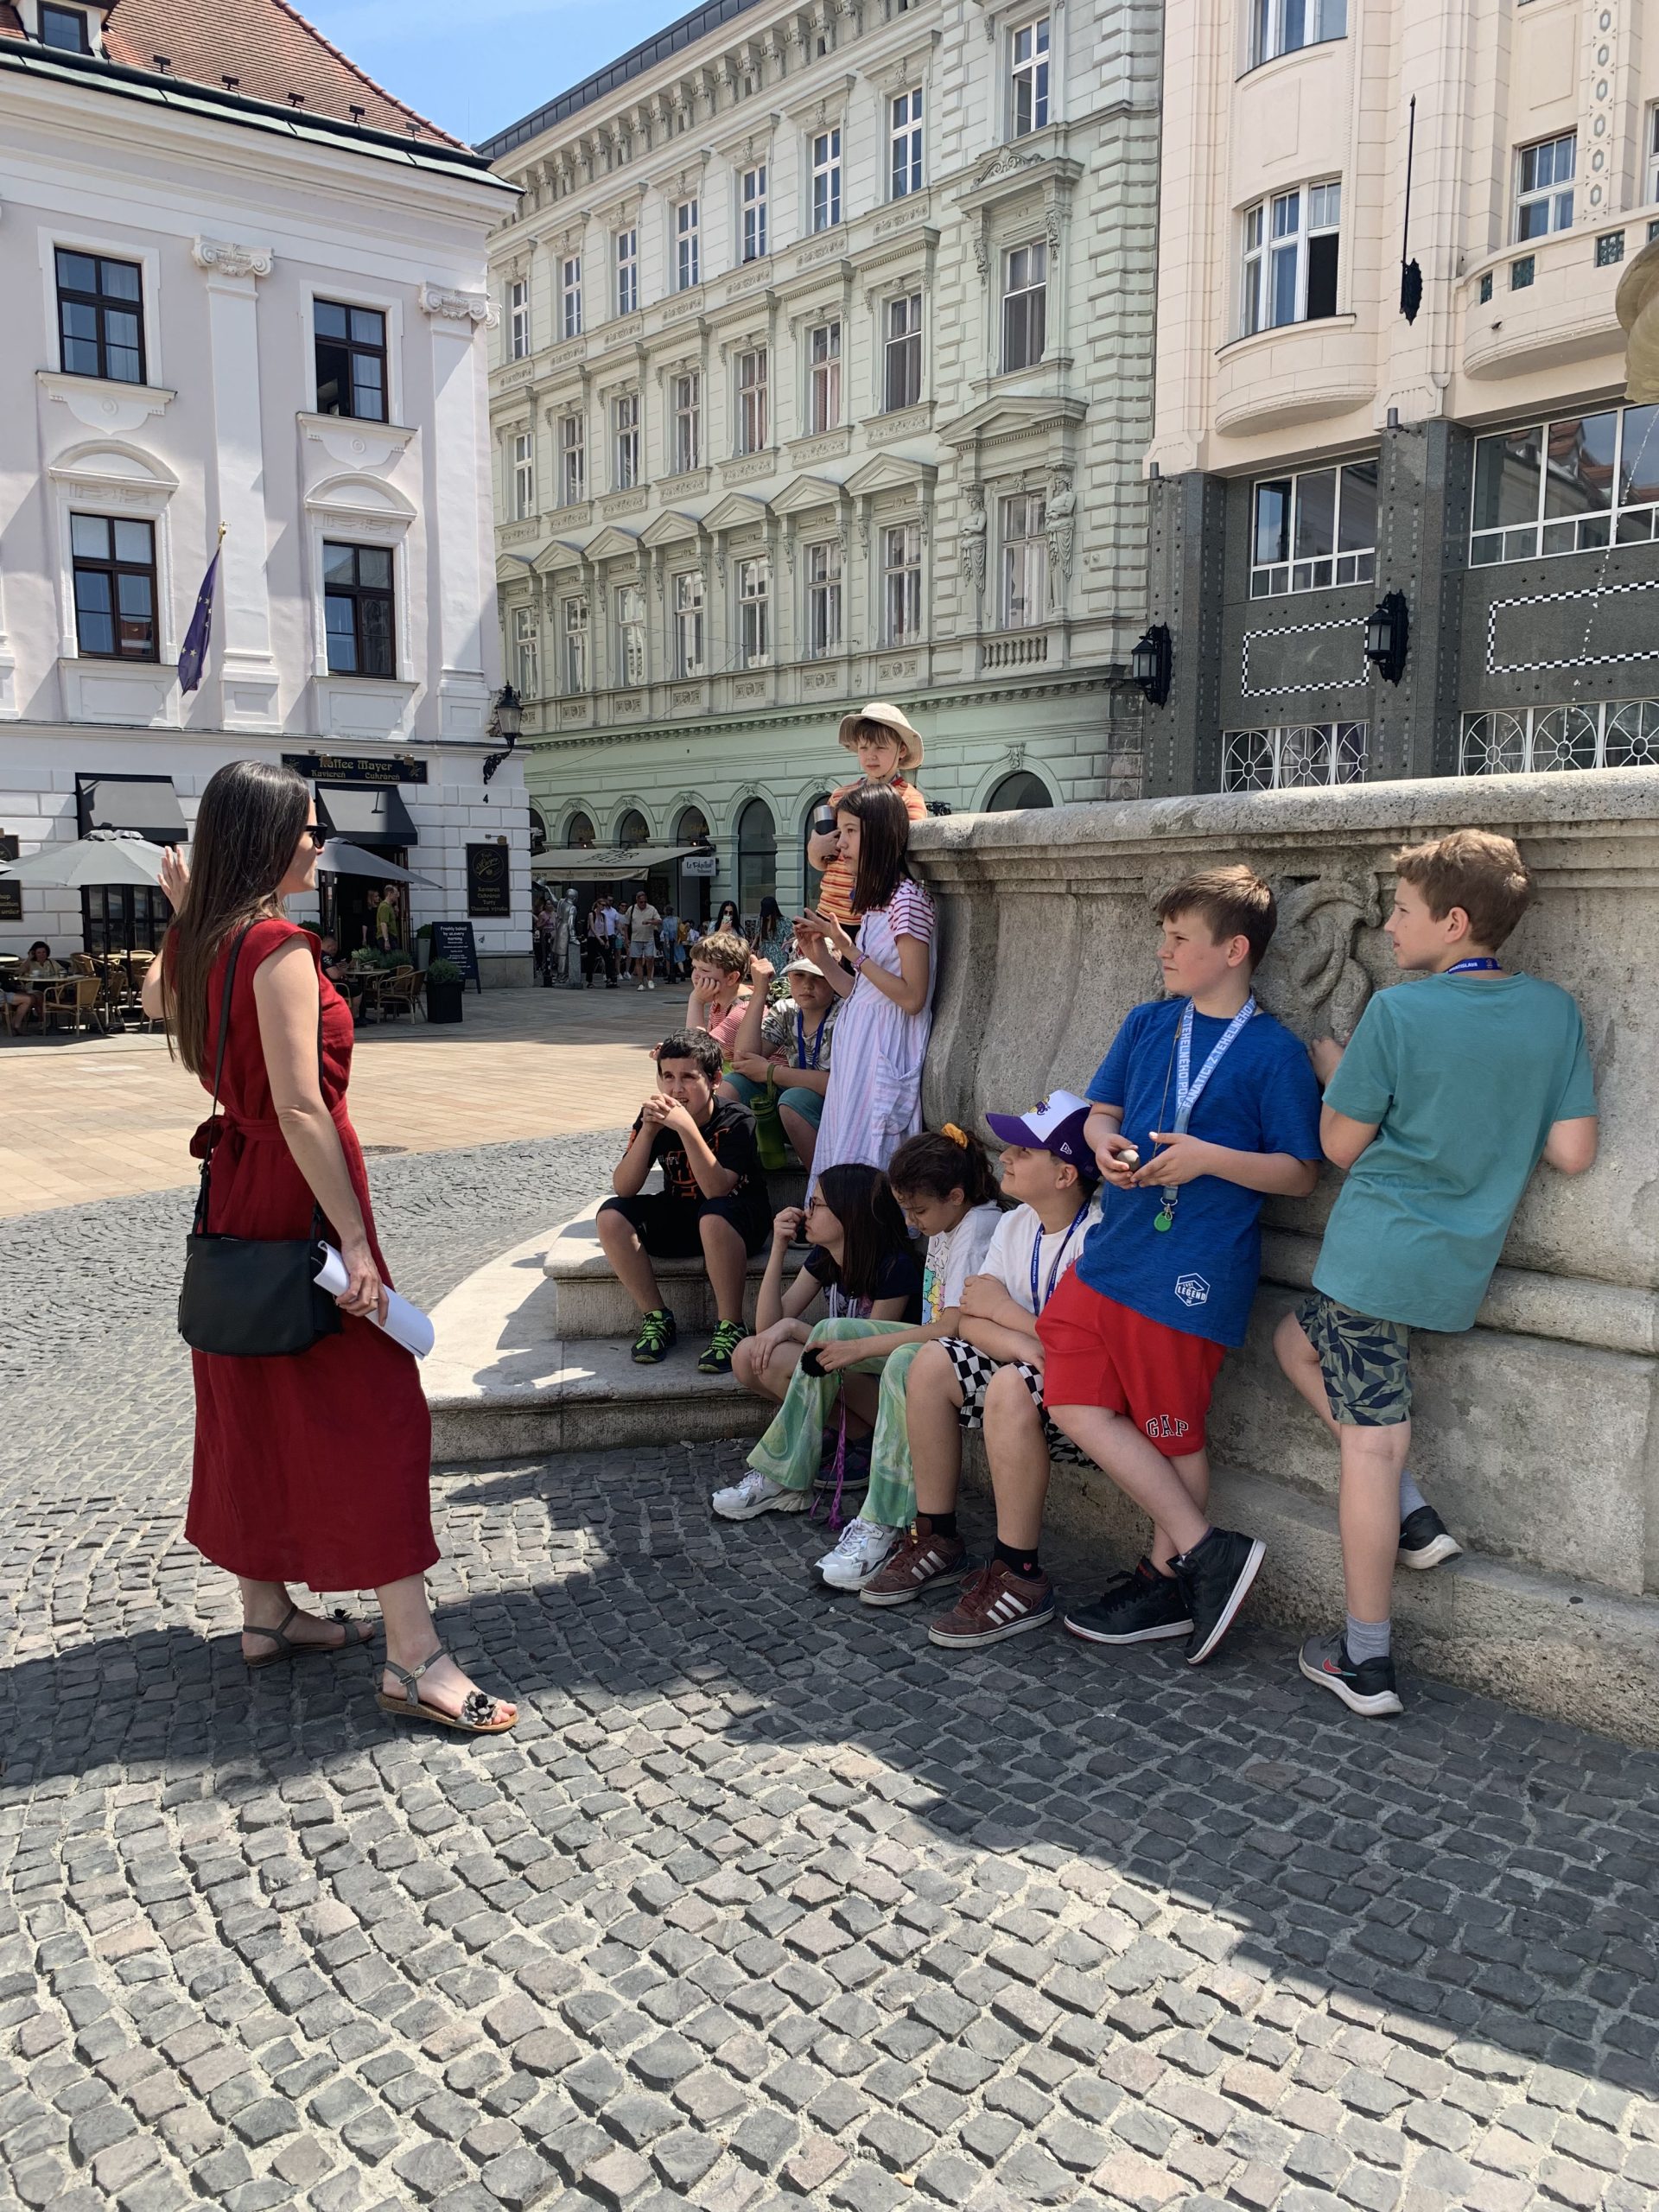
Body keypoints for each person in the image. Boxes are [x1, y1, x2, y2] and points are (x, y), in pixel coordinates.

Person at [139, 760, 515, 1734]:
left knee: (252, 1387)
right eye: (309, 827)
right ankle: (413, 1655)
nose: (319, 841)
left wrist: (183, 917)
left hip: (236, 1192)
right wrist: (354, 1239)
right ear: (268, 840)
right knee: (374, 1407)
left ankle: (265, 1611)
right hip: (296, 1194)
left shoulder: (209, 941)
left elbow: (155, 1005)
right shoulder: (276, 945)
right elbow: (302, 1106)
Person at [1274, 830, 1598, 1718]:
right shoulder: (1555, 1013)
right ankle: (1412, 1513)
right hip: (1455, 1264)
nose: (1389, 926)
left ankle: (1365, 1660)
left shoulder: (1398, 1013)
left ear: (1453, 923)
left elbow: (1340, 1145)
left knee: (1372, 1449)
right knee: (1294, 1344)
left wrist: (1338, 1071)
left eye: (1403, 910)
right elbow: (1573, 1151)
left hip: (1375, 1255)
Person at [1042, 866, 1324, 1669]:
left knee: (1172, 1431)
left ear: (1234, 951)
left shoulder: (1274, 1052)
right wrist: (1103, 1145)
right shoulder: (1147, 1022)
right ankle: (1207, 1551)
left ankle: (1167, 1579)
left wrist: (1208, 1159)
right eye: (1162, 935)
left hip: (1193, 1271)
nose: (1163, 950)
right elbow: (1101, 1112)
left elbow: (1300, 1173)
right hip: (1116, 1252)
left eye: (1179, 938)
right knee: (1071, 1397)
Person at [715, 1126, 1001, 1592]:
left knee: (901, 1361)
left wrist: (860, 1347)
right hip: (941, 1347)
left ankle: (883, 1521)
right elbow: (771, 1325)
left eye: (918, 1210)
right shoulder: (949, 1222)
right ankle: (784, 1475)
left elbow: (952, 1327)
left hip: (971, 1357)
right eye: (906, 1210)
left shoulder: (977, 1227)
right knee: (829, 1331)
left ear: (955, 1195)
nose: (911, 1222)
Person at [862, 1093, 1103, 1628]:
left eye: (1023, 1151)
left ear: (1065, 1174)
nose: (1005, 1157)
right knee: (931, 1363)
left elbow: (1078, 1345)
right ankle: (937, 1536)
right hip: (1031, 1369)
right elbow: (968, 1320)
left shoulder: (1097, 1235)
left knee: (1013, 1385)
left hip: (1089, 1402)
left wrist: (1005, 1313)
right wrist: (1023, 1343)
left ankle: (1019, 1574)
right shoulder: (1016, 1225)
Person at [715, 1163, 924, 1516]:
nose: (805, 1213)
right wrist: (778, 1248)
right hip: (850, 1380)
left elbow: (866, 1353)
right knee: (748, 1355)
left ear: (849, 1212)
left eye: (816, 1205)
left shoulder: (895, 1266)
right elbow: (766, 1328)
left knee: (786, 1359)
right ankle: (851, 1438)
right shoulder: (826, 1258)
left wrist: (795, 1329)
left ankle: (848, 1448)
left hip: (889, 1396)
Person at [597, 1027, 772, 1375]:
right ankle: (657, 1318)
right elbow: (624, 1187)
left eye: (688, 1078)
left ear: (715, 1080)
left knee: (713, 1214)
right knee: (611, 1215)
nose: (676, 1089)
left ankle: (730, 1325)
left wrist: (687, 1129)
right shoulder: (655, 1118)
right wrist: (648, 1132)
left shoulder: (738, 1120)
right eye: (668, 1077)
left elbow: (717, 1189)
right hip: (683, 1215)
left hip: (737, 1222)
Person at [796, 784, 935, 1183]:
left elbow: (912, 997)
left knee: (868, 1163)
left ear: (878, 834)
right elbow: (862, 993)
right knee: (848, 1155)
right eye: (840, 831)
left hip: (883, 1051)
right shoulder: (878, 903)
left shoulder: (906, 902)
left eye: (850, 831)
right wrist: (823, 957)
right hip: (862, 1052)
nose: (840, 843)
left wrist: (850, 950)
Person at [810, 704, 929, 930]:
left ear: (902, 750)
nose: (871, 755)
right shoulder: (839, 795)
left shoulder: (909, 800)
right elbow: (821, 862)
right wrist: (815, 852)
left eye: (880, 747)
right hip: (827, 912)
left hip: (873, 918)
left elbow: (904, 860)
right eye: (864, 747)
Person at [720, 955, 840, 1173]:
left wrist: (772, 1072)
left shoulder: (846, 1014)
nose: (807, 985)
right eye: (799, 975)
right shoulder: (787, 1009)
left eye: (818, 976)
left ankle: (822, 1183)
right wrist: (759, 993)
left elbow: (840, 1085)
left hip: (833, 1113)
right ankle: (728, 1172)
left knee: (794, 1099)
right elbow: (743, 1059)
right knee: (733, 1083)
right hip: (792, 1109)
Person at [684, 929, 753, 1058]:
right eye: (694, 968)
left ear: (731, 978)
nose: (695, 975)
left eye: (704, 970)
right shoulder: (720, 1000)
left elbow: (698, 1054)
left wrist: (696, 1001)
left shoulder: (743, 1011)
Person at [3, 941, 63, 1034]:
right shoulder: (30, 963)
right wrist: (29, 958)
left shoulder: (51, 962)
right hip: (34, 987)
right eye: (39, 953)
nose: (42, 955)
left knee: (48, 996)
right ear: (34, 953)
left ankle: (47, 1023)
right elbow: (19, 972)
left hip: (51, 987)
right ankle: (43, 1021)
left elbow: (62, 971)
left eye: (44, 952)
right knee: (39, 997)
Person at [626, 888, 662, 988]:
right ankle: (641, 982)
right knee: (638, 960)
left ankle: (649, 979)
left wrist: (650, 922)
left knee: (649, 958)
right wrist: (626, 939)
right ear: (637, 901)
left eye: (645, 902)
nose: (643, 904)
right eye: (641, 902)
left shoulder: (651, 909)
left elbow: (659, 921)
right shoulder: (631, 909)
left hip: (649, 938)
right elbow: (626, 924)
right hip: (635, 938)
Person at [752, 894, 794, 973]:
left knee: (777, 975)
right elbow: (757, 936)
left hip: (778, 955)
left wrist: (786, 943)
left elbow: (794, 938)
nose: (767, 916)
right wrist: (751, 948)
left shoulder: (784, 921)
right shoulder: (761, 919)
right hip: (764, 953)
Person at [375, 885, 397, 952]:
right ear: (389, 894)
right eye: (395, 894)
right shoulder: (385, 907)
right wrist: (386, 941)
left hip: (391, 936)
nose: (397, 896)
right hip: (387, 937)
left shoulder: (389, 906)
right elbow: (383, 923)